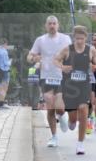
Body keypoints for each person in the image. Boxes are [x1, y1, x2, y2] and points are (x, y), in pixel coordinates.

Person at [28, 16, 72, 146]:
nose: (52, 26)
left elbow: (73, 54)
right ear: (46, 26)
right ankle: (54, 137)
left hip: (61, 76)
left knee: (58, 107)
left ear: (58, 25)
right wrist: (33, 59)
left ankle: (62, 114)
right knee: (50, 107)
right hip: (46, 76)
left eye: (54, 23)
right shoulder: (40, 40)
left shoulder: (65, 39)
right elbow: (29, 56)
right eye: (49, 24)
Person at [55, 26, 95, 155]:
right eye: (77, 38)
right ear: (74, 38)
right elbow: (55, 60)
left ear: (85, 38)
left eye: (82, 38)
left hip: (84, 85)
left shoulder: (91, 50)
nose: (79, 41)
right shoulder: (67, 49)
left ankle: (80, 143)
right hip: (69, 85)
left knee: (83, 109)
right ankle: (71, 121)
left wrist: (93, 66)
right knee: (73, 118)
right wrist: (62, 67)